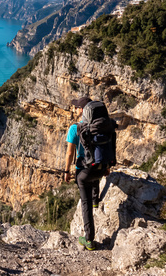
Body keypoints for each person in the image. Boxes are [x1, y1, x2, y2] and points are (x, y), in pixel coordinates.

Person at [64, 96, 101, 251]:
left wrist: (66, 171)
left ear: (82, 110)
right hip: (99, 168)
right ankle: (96, 200)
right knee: (93, 178)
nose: (75, 109)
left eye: (77, 107)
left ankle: (89, 240)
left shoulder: (75, 128)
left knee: (85, 205)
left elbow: (70, 153)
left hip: (83, 171)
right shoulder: (99, 126)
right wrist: (107, 168)